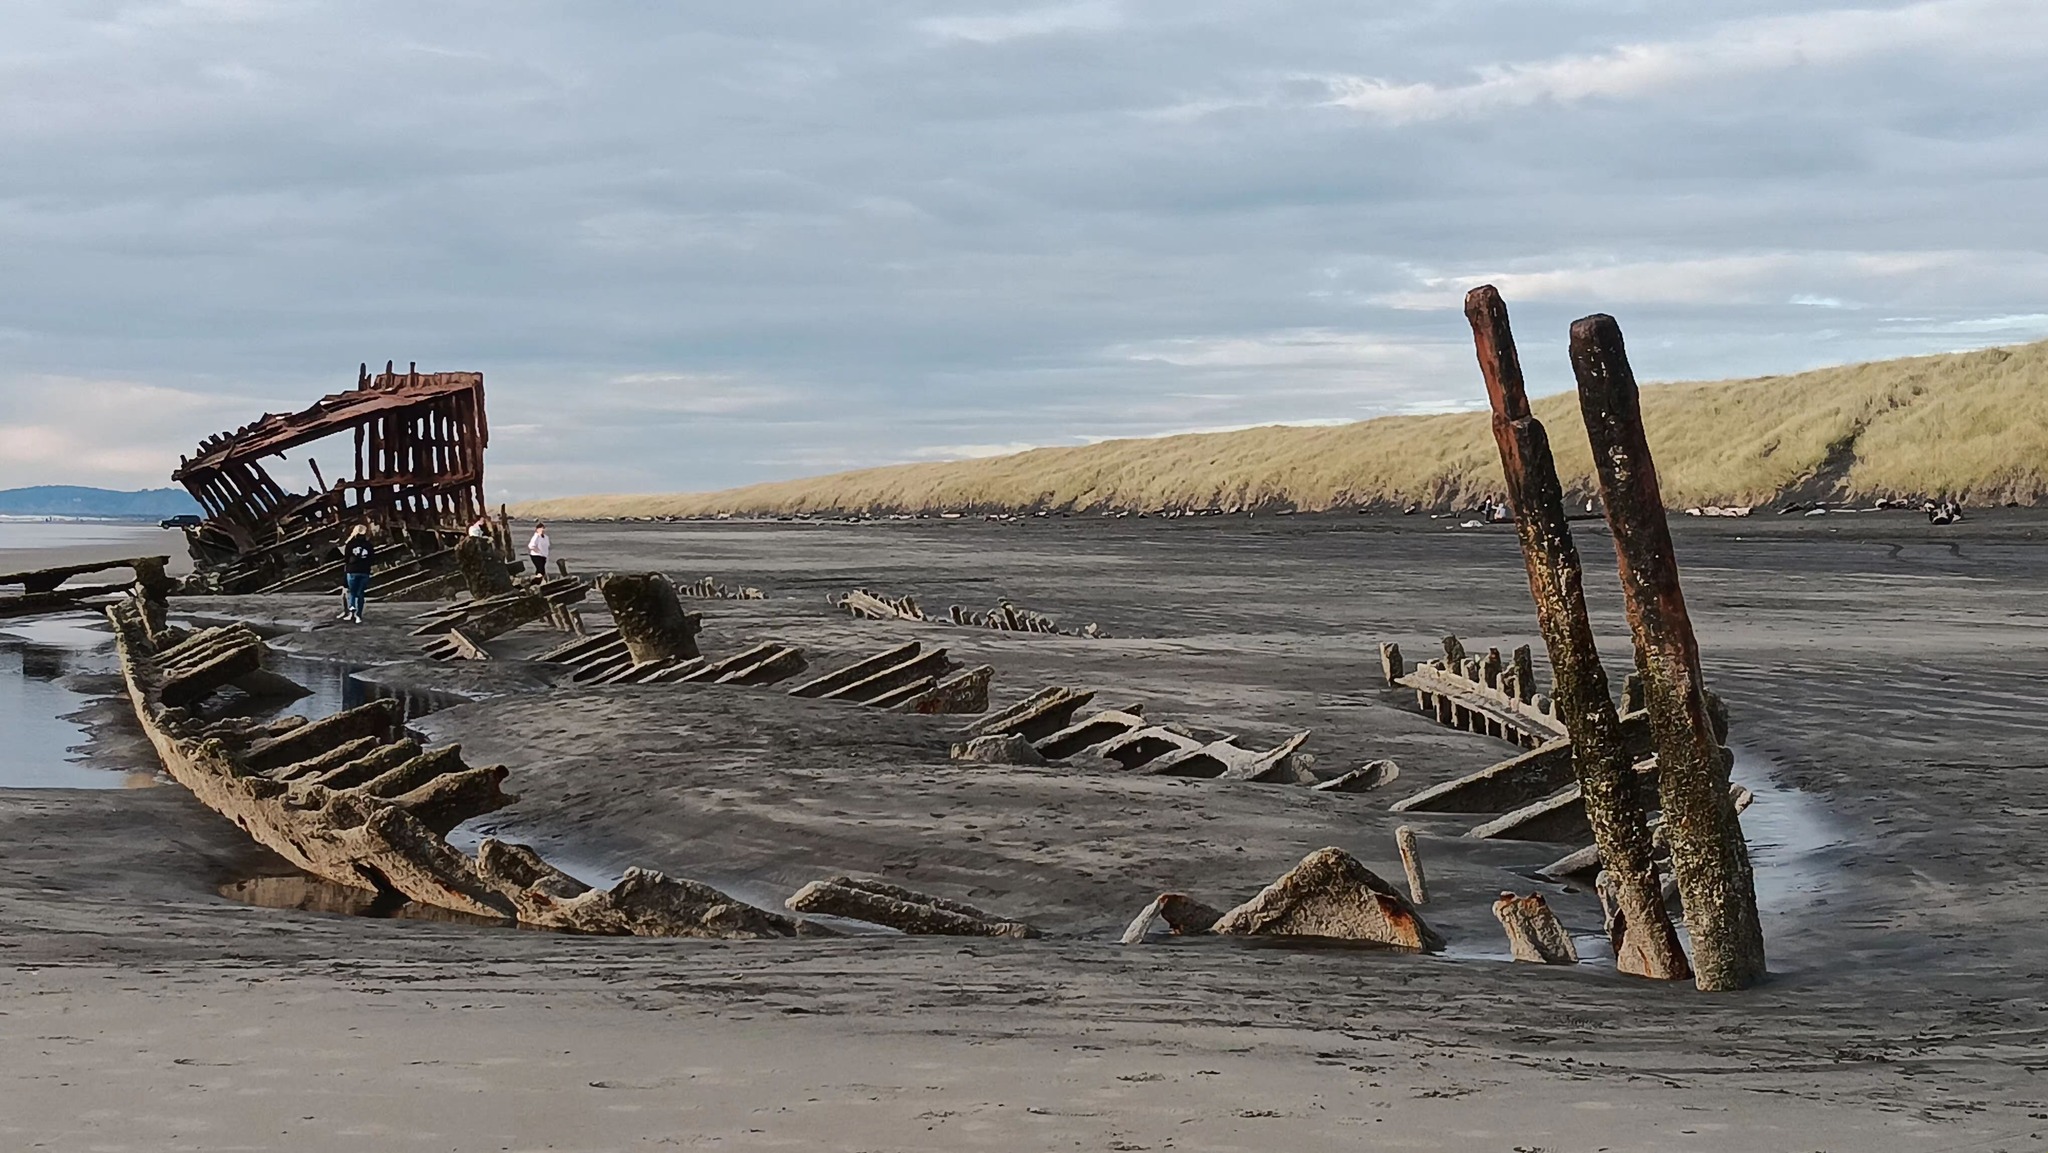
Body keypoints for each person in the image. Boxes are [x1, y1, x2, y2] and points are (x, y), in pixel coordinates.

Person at [340, 524, 376, 623]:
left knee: (352, 592)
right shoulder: (369, 545)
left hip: (352, 570)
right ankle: (358, 616)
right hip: (364, 571)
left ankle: (351, 610)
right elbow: (372, 559)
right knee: (361, 594)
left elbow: (346, 559)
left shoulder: (350, 544)